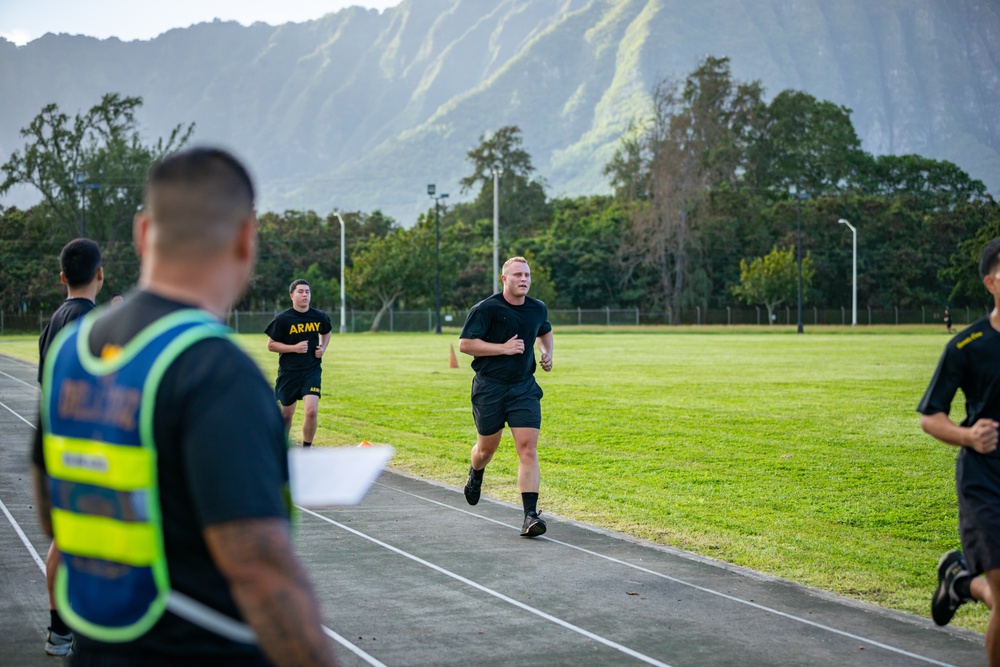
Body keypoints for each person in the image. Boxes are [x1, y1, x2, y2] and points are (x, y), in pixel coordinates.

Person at [31, 147, 339, 667]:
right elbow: (260, 569)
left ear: (143, 232)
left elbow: (50, 511)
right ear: (246, 239)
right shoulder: (215, 368)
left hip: (99, 645)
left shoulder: (71, 353)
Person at [918, 236, 1000, 667]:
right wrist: (969, 437)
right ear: (991, 282)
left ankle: (960, 582)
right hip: (985, 481)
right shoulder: (968, 347)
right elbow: (931, 416)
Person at [36, 237, 104, 656]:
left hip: (54, 442)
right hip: (86, 446)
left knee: (65, 538)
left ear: (63, 277)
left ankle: (60, 629)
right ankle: (84, 628)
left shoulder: (54, 320)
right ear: (100, 274)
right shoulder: (94, 323)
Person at [458, 256, 554, 537]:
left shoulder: (537, 308)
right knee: (486, 450)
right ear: (504, 279)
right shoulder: (486, 309)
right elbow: (465, 344)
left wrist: (547, 353)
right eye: (517, 275)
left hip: (524, 388)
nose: (523, 279)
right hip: (490, 387)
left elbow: (544, 332)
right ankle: (476, 473)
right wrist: (504, 348)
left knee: (528, 448)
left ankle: (530, 516)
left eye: (527, 275)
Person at [265, 280, 333, 448]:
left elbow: (327, 331)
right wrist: (293, 348)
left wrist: (323, 348)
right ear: (292, 295)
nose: (305, 295)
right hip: (289, 372)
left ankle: (306, 450)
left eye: (307, 292)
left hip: (311, 370)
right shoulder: (283, 319)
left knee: (311, 411)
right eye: (301, 291)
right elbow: (271, 345)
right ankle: (281, 450)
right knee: (287, 415)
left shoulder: (319, 316)